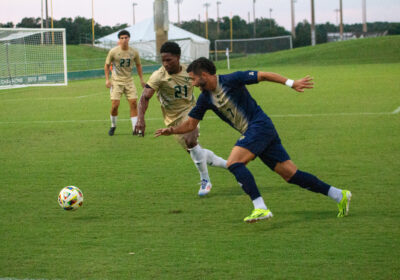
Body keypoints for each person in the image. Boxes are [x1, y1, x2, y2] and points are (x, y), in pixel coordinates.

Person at [155, 57, 352, 223]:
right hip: (260, 132)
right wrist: (171, 130)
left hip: (259, 126)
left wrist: (292, 83)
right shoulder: (205, 99)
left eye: (194, 79)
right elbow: (190, 124)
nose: (193, 83)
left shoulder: (232, 79)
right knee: (291, 174)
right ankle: (338, 194)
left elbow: (264, 75)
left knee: (234, 162)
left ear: (204, 75)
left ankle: (260, 207)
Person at [135, 42, 227, 196]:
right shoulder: (158, 76)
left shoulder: (189, 72)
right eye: (163, 60)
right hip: (171, 120)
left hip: (191, 111)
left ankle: (205, 180)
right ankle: (231, 165)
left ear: (178, 57)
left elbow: (206, 83)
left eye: (169, 60)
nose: (165, 64)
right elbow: (144, 98)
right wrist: (140, 119)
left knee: (190, 139)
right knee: (196, 151)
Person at [104, 30, 146, 136]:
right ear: (119, 40)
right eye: (122, 38)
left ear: (129, 39)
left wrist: (141, 79)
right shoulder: (113, 52)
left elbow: (138, 65)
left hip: (129, 81)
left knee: (133, 103)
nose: (124, 40)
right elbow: (106, 65)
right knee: (115, 105)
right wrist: (107, 80)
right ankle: (113, 125)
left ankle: (134, 129)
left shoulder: (134, 52)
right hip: (116, 82)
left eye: (126, 38)